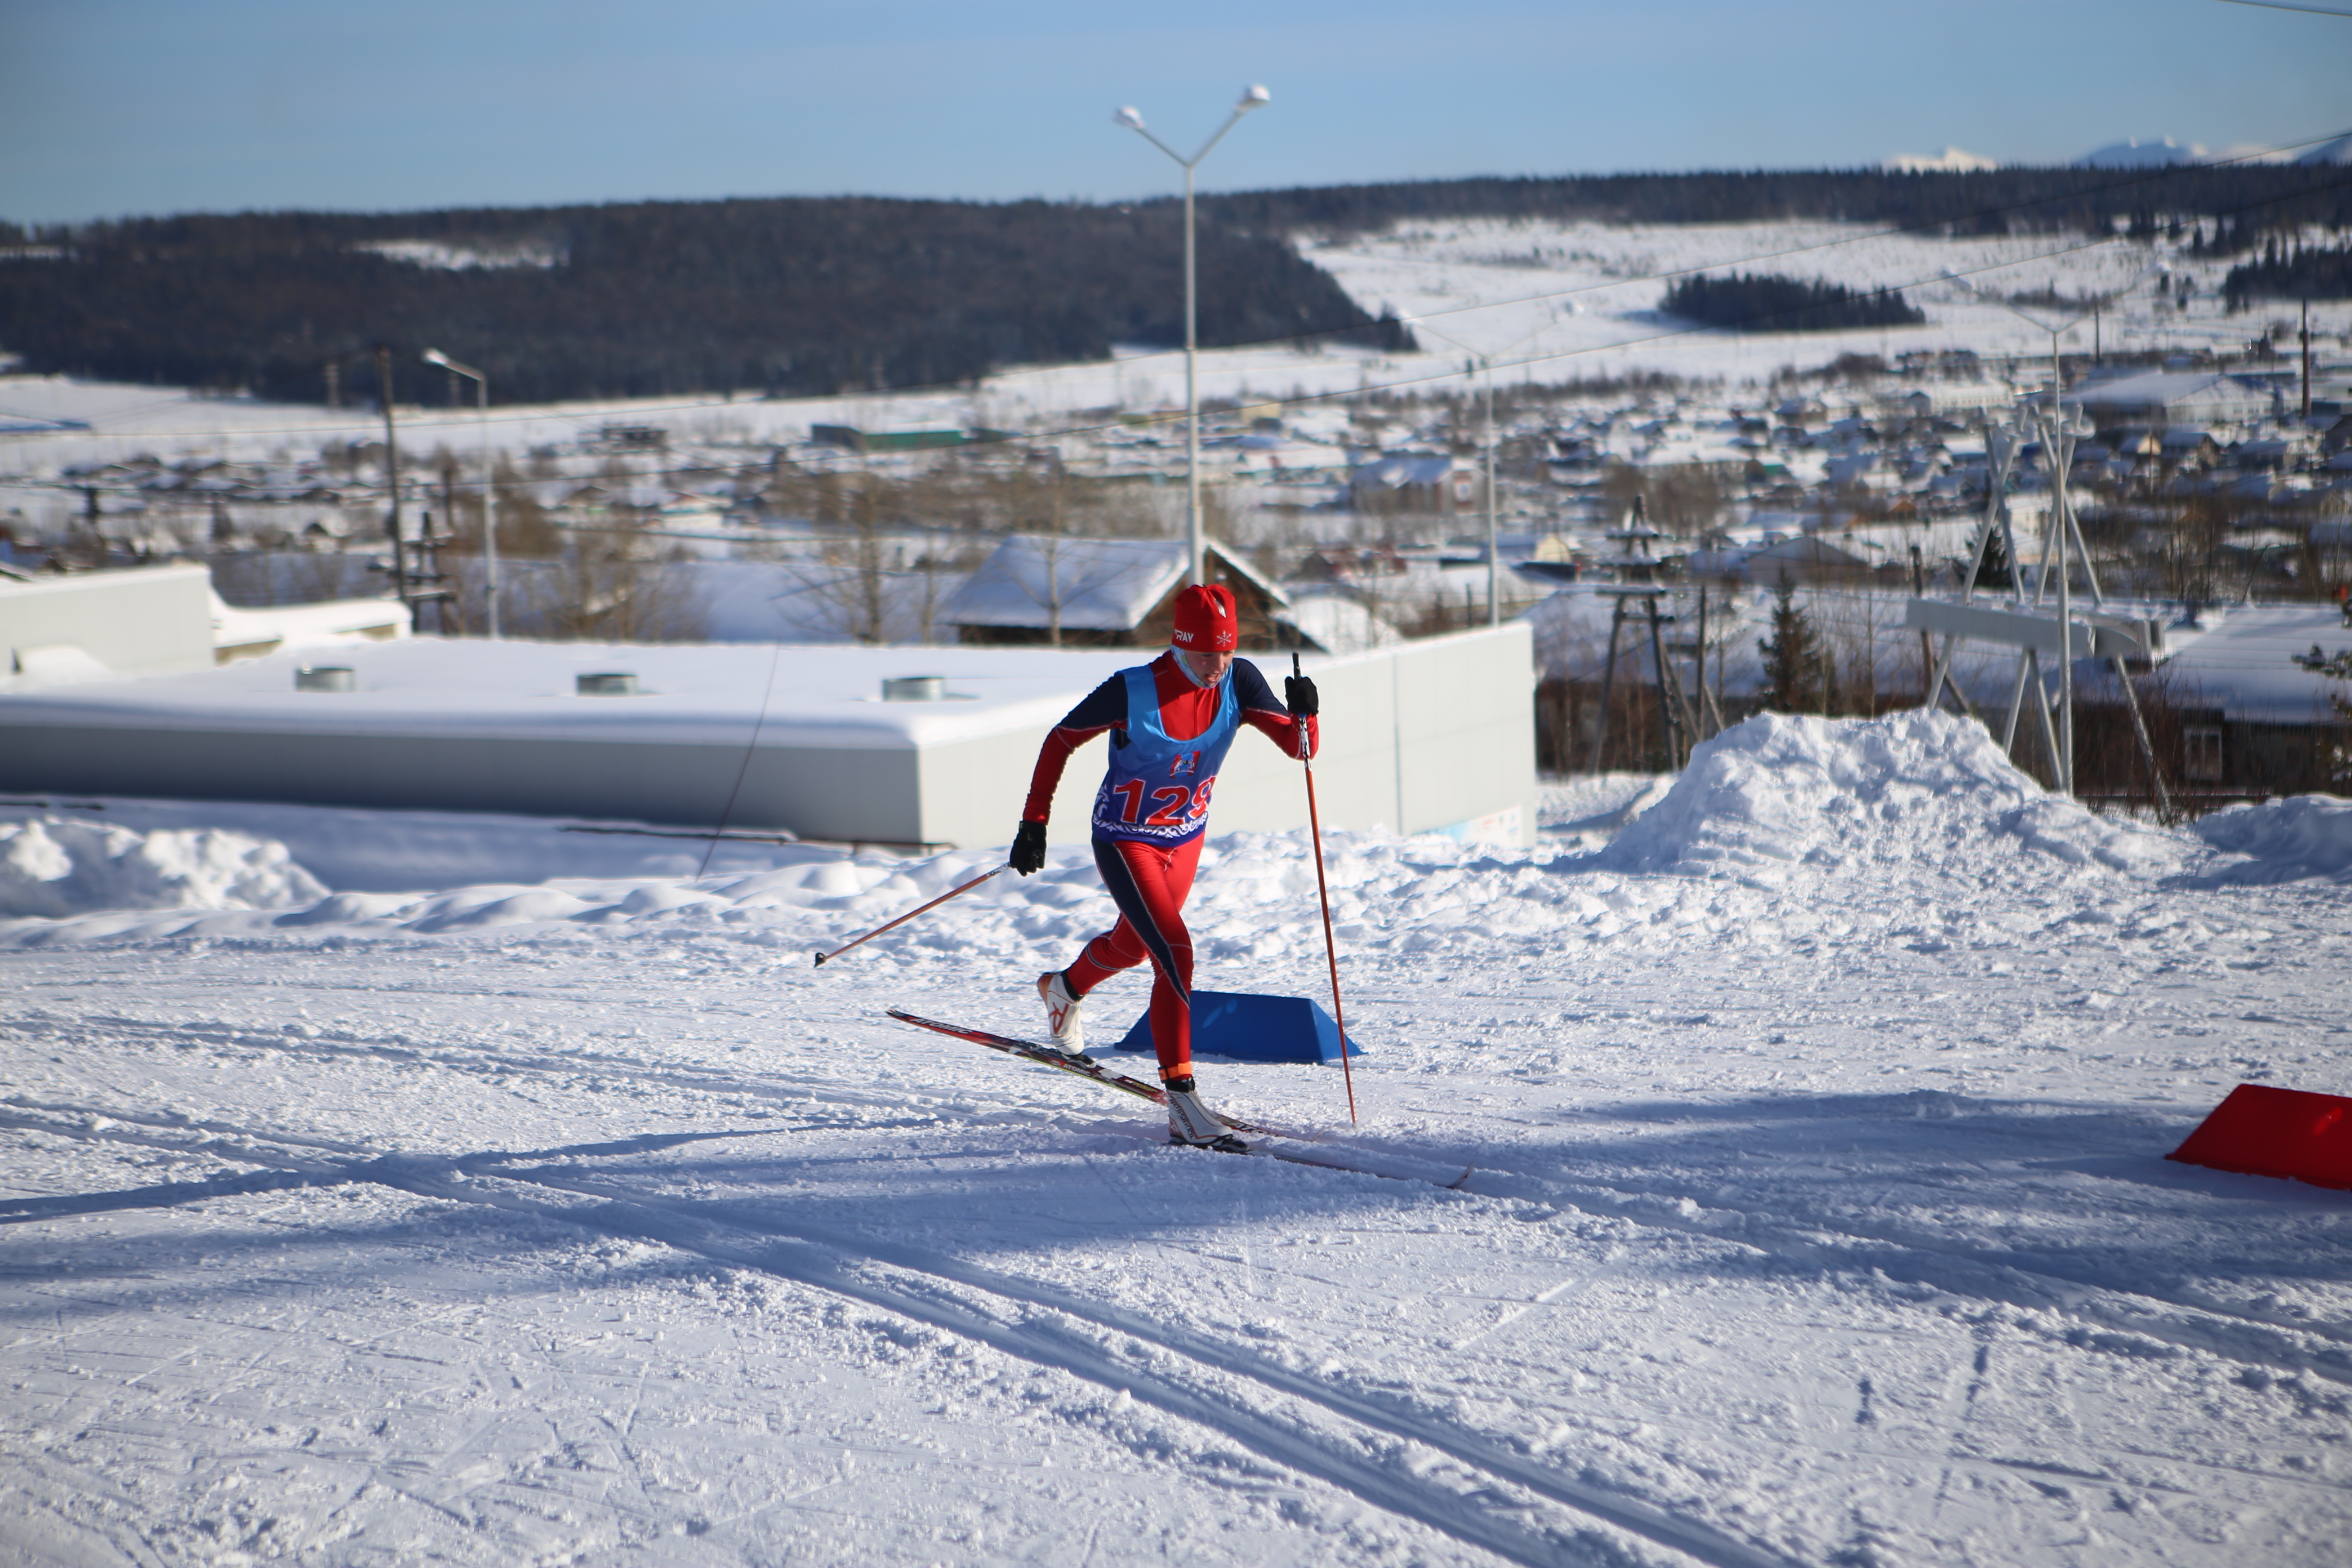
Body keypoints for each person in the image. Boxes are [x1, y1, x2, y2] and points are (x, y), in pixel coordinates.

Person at [1008, 583, 1318, 1150]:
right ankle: (1182, 1100)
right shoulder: (1133, 690)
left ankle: (1064, 988)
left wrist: (1305, 714)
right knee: (1175, 952)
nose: (1218, 666)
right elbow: (1060, 741)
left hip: (1185, 840)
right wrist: (1035, 822)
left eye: (1226, 651)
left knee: (1134, 945)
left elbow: (1299, 749)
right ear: (1179, 645)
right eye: (1206, 654)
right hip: (1127, 841)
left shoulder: (1240, 680)